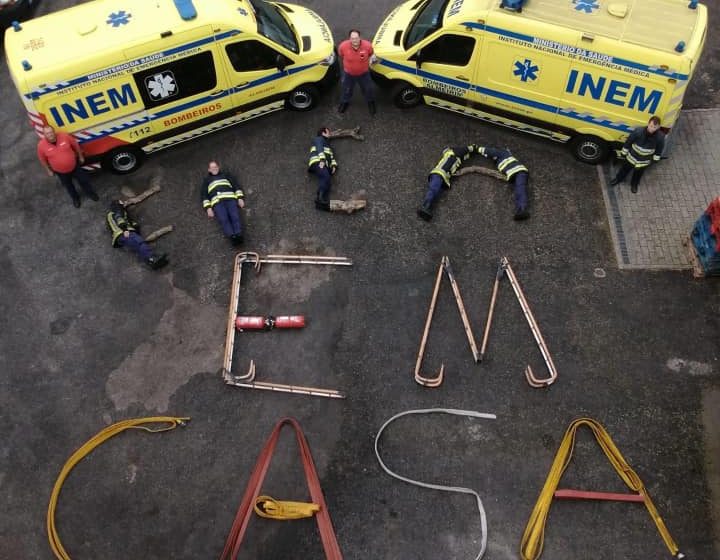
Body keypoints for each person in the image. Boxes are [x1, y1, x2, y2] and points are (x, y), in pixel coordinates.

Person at [37, 124, 98, 208]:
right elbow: (42, 159)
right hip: (60, 172)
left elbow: (75, 145)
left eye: (51, 132)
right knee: (69, 186)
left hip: (74, 166)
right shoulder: (41, 146)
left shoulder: (64, 136)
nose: (50, 134)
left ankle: (91, 193)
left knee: (84, 181)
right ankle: (75, 199)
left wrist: (80, 156)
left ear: (54, 132)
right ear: (44, 135)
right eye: (47, 133)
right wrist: (48, 170)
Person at [417, 144, 481, 221]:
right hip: (439, 174)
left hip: (443, 177)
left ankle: (427, 208)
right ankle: (424, 207)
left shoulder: (454, 157)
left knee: (436, 193)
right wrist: (474, 148)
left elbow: (463, 156)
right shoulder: (453, 153)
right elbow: (464, 150)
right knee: (434, 190)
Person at [610, 115, 665, 193]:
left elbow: (659, 148)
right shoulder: (638, 131)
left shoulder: (660, 137)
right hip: (631, 157)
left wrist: (655, 159)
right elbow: (629, 142)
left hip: (643, 161)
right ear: (648, 123)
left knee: (638, 174)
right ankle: (618, 179)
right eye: (651, 126)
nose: (652, 129)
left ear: (658, 127)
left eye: (654, 127)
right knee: (624, 169)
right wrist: (624, 152)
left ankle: (634, 184)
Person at [107, 200, 168, 270]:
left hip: (119, 237)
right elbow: (120, 219)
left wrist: (134, 227)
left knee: (137, 246)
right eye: (121, 201)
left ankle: (152, 261)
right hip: (123, 232)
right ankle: (152, 258)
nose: (123, 202)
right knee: (139, 243)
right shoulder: (117, 209)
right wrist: (125, 230)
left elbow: (129, 222)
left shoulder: (113, 214)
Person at [476, 146, 530, 220]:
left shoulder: (502, 153)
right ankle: (520, 211)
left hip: (519, 172)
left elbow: (491, 151)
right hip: (515, 174)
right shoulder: (500, 160)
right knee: (518, 191)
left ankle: (522, 209)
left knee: (520, 190)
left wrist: (478, 148)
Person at [201, 160, 245, 245]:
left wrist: (240, 198)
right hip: (218, 203)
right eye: (212, 167)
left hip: (230, 200)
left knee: (235, 217)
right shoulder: (206, 181)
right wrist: (208, 208)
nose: (214, 169)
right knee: (224, 220)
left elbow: (235, 185)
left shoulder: (226, 175)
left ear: (218, 167)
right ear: (209, 170)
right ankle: (232, 237)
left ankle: (239, 235)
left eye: (215, 167)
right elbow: (204, 195)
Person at [337, 29, 377, 115]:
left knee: (368, 89)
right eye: (352, 38)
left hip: (364, 73)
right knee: (346, 89)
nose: (354, 40)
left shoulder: (368, 46)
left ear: (360, 37)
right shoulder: (343, 46)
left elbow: (371, 54)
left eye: (356, 38)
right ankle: (345, 102)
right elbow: (341, 55)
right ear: (349, 38)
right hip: (348, 74)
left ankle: (370, 102)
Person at [307, 127, 338, 211]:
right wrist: (322, 160)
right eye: (328, 132)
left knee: (326, 181)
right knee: (325, 177)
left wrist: (334, 166)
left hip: (323, 164)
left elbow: (331, 157)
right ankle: (319, 199)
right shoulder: (319, 139)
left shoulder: (327, 145)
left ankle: (321, 203)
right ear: (323, 133)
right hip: (317, 161)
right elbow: (319, 148)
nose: (330, 134)